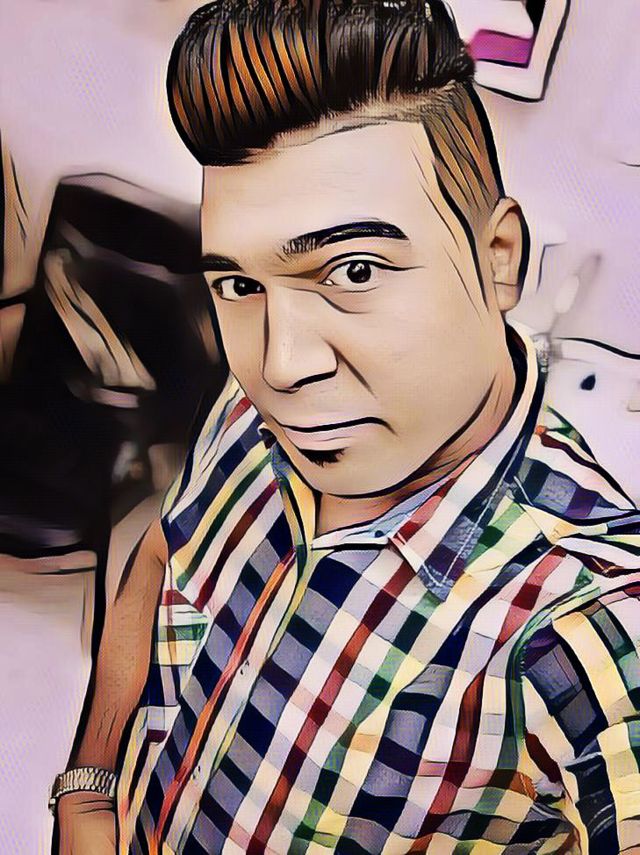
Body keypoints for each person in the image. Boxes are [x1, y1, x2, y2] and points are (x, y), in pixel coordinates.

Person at [54, 1, 640, 852]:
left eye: (354, 270)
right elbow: (163, 552)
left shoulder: (590, 619)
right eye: (241, 286)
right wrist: (89, 791)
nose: (283, 364)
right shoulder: (252, 412)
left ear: (499, 258)